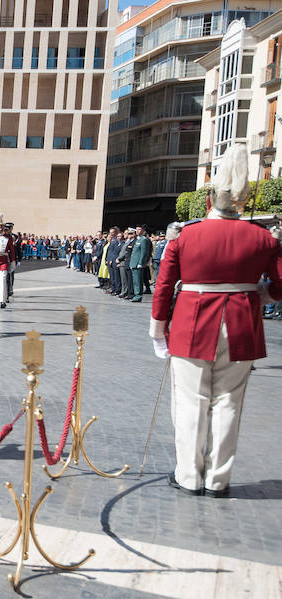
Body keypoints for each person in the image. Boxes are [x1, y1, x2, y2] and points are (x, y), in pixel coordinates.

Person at [150, 143, 282, 497]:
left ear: (208, 200)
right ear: (241, 201)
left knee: (191, 402)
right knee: (229, 404)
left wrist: (158, 329)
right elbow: (280, 285)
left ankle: (189, 476)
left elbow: (163, 286)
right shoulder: (264, 239)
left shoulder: (185, 236)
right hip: (242, 323)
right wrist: (261, 294)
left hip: (193, 323)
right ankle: (218, 479)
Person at [129, 224, 153, 302]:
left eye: (139, 229)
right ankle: (136, 294)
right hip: (134, 263)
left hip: (138, 263)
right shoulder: (138, 239)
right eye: (136, 229)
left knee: (138, 280)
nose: (137, 231)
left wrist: (141, 262)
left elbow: (144, 252)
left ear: (143, 230)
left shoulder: (144, 240)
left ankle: (138, 295)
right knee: (135, 280)